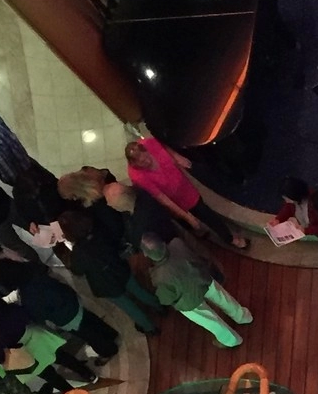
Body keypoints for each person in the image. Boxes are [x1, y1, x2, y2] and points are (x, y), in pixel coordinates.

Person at [58, 201, 163, 336]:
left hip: (105, 284)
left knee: (129, 307)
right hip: (119, 269)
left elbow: (78, 271)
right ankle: (159, 307)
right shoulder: (100, 232)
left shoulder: (78, 254)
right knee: (139, 290)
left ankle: (149, 328)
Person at [125, 136, 247, 249]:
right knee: (205, 214)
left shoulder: (149, 142)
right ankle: (229, 238)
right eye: (142, 162)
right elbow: (162, 198)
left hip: (184, 185)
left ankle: (199, 230)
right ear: (135, 164)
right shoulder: (138, 177)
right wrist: (187, 217)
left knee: (201, 211)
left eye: (147, 157)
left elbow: (164, 147)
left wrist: (177, 157)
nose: (147, 161)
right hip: (172, 198)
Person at [140, 232, 254, 346]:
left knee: (210, 320)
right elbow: (196, 257)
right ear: (162, 242)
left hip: (189, 301)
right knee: (224, 299)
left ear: (146, 254)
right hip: (202, 278)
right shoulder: (177, 244)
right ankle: (243, 317)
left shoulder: (158, 276)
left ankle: (231, 340)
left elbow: (166, 299)